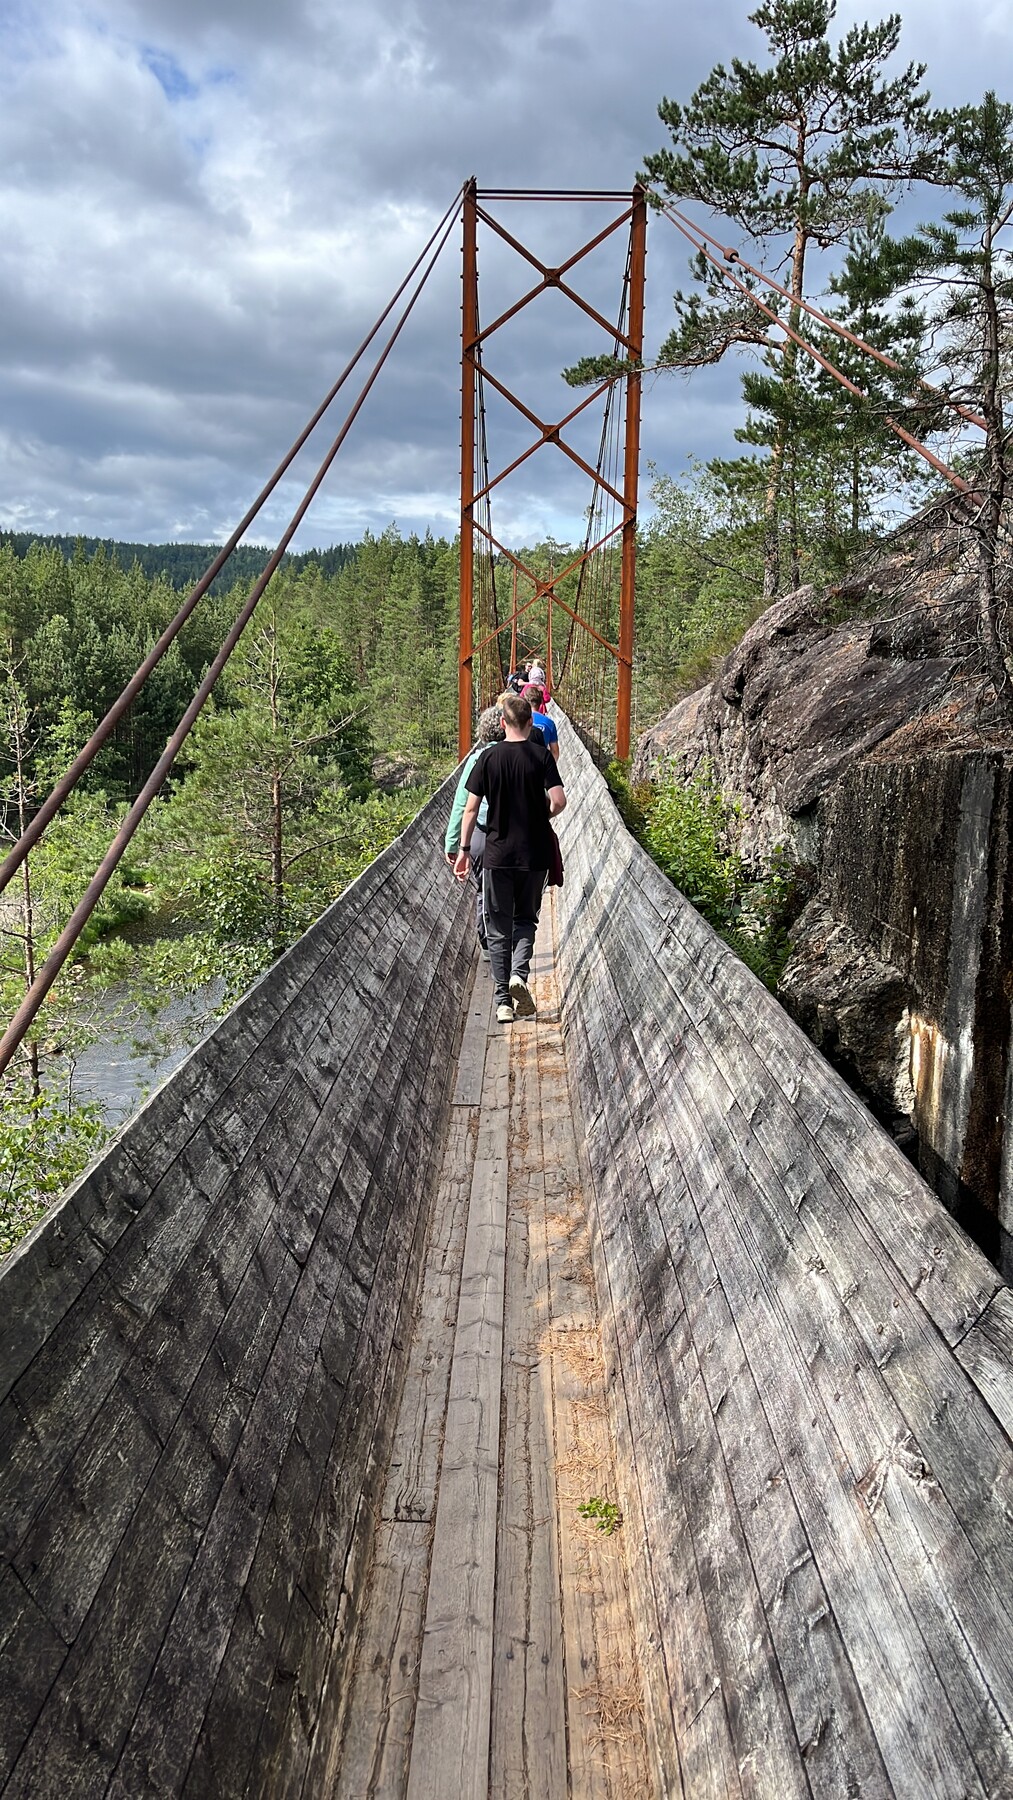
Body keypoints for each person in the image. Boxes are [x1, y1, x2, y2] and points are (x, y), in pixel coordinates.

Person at [455, 692, 566, 1025]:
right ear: (531, 722)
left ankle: (503, 1002)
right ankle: (519, 973)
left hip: (497, 855)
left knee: (498, 927)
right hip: (534, 854)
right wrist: (542, 817)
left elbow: (470, 809)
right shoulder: (541, 756)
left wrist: (463, 851)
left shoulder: (487, 758)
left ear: (502, 723)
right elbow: (559, 801)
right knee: (526, 920)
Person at [445, 705, 503, 953]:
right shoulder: (521, 754)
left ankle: (488, 945)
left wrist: (453, 844)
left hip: (481, 834)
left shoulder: (476, 760)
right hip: (514, 836)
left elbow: (463, 804)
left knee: (484, 890)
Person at [521, 683, 559, 762]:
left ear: (525, 701)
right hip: (540, 762)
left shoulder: (520, 720)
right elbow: (555, 752)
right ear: (541, 702)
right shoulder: (549, 723)